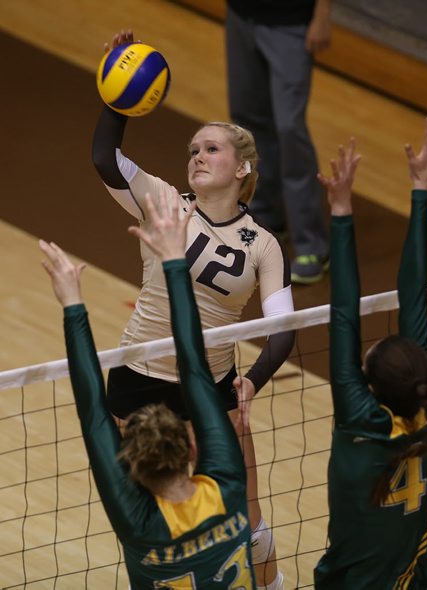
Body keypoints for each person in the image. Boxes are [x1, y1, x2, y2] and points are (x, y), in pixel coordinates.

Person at [92, 31, 293, 590]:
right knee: (146, 514)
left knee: (247, 519)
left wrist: (253, 380)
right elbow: (104, 159)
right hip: (138, 378)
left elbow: (283, 332)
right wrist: (115, 95)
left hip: (215, 385)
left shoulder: (263, 245)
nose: (197, 156)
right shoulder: (162, 199)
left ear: (242, 168)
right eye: (193, 149)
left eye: (211, 149)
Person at [39, 191, 256, 588]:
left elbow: (93, 414)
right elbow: (194, 366)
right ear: (191, 448)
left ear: (130, 464)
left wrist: (73, 304)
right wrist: (176, 261)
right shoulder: (227, 485)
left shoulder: (137, 521)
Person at [314, 116, 427, 589]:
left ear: (371, 383)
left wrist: (340, 207)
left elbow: (343, 315)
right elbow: (411, 299)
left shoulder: (364, 421)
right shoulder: (424, 409)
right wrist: (421, 187)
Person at [225, 0, 333, 285]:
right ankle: (265, 216)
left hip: (290, 24)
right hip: (240, 14)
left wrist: (322, 16)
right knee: (247, 120)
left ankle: (311, 245)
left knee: (289, 127)